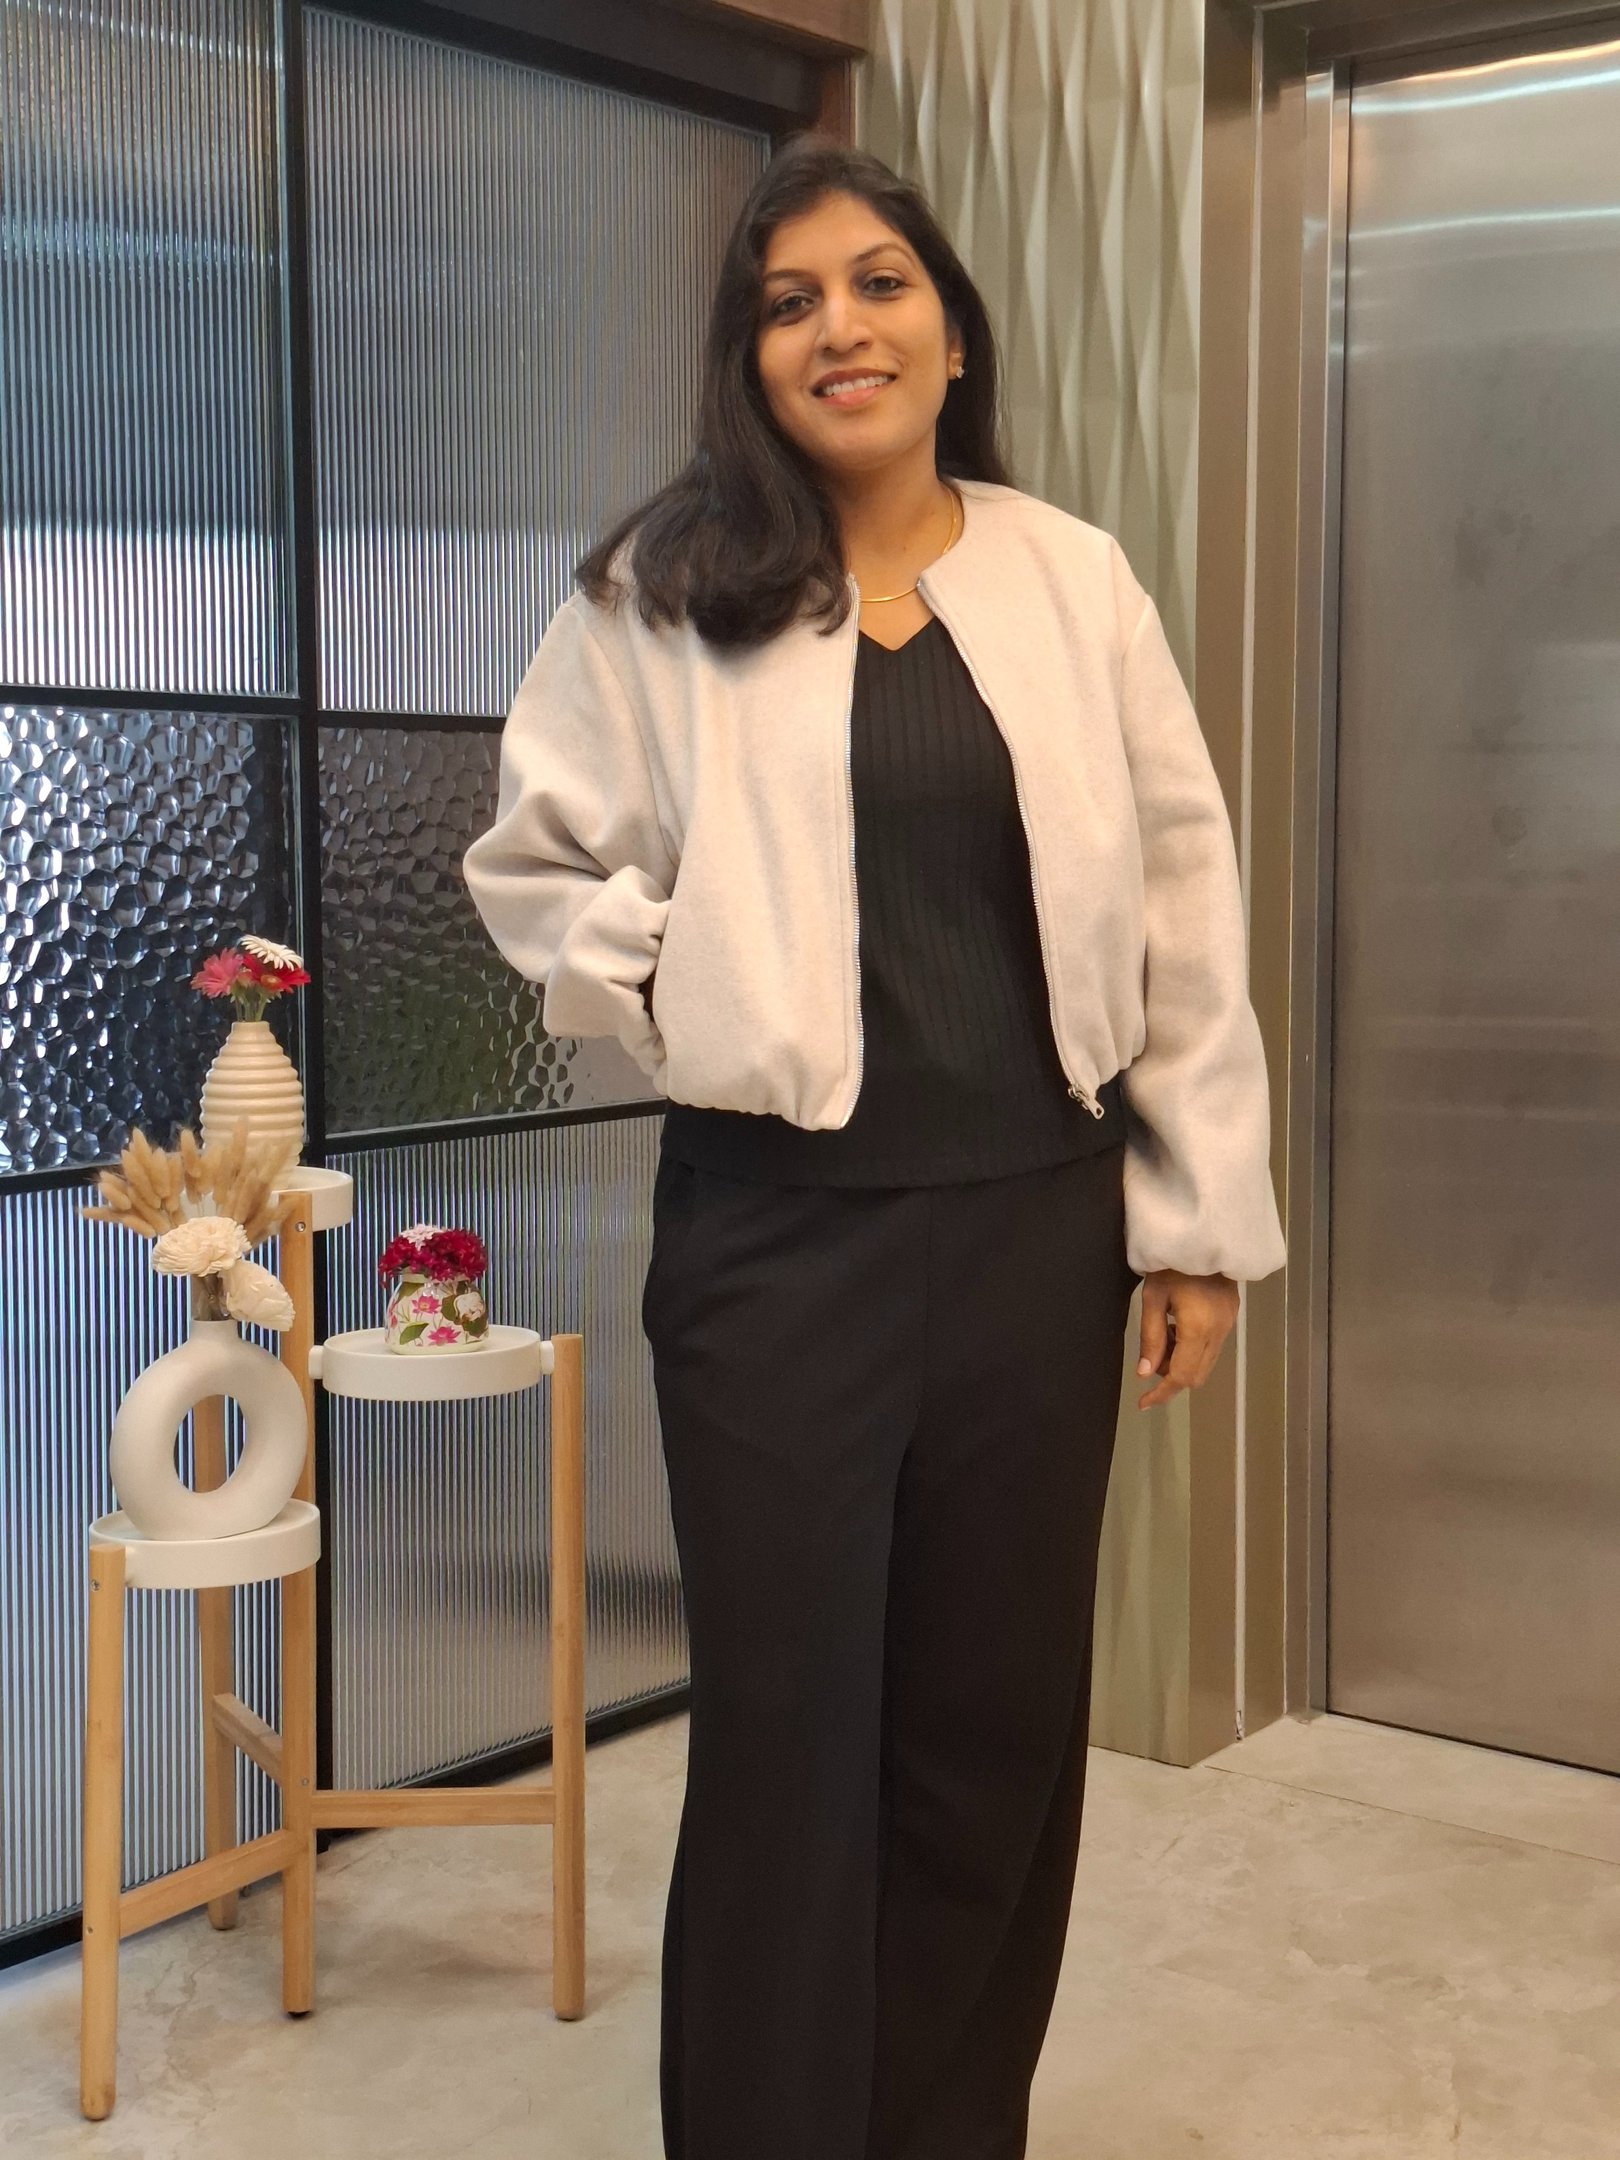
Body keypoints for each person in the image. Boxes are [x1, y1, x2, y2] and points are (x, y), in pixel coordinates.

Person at [464, 134, 1286, 2160]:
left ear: (950, 330)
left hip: (1037, 1236)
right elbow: (533, 867)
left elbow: (1183, 904)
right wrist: (686, 983)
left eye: (878, 283)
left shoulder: (1073, 577)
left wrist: (1196, 1222)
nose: (839, 327)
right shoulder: (658, 596)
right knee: (788, 1743)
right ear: (749, 358)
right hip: (776, 1250)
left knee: (993, 1737)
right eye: (789, 301)